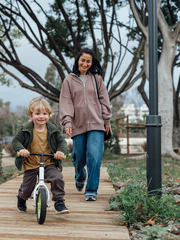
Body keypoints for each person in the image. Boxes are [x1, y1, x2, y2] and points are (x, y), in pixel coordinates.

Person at [59, 48, 112, 201]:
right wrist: (67, 121)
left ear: (91, 63)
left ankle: (91, 190)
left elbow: (104, 99)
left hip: (97, 123)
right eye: (83, 60)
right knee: (78, 156)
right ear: (78, 61)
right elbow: (66, 101)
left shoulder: (97, 79)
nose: (85, 63)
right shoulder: (69, 80)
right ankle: (80, 175)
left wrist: (106, 119)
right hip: (78, 123)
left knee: (94, 157)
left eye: (88, 61)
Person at [12, 97, 69, 214]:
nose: (41, 116)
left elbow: (62, 142)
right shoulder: (26, 130)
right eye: (37, 114)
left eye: (45, 113)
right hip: (31, 163)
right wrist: (21, 149)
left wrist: (60, 151)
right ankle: (21, 198)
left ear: (49, 115)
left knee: (57, 178)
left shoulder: (53, 129)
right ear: (31, 115)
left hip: (49, 163)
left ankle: (59, 202)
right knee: (27, 187)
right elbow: (16, 141)